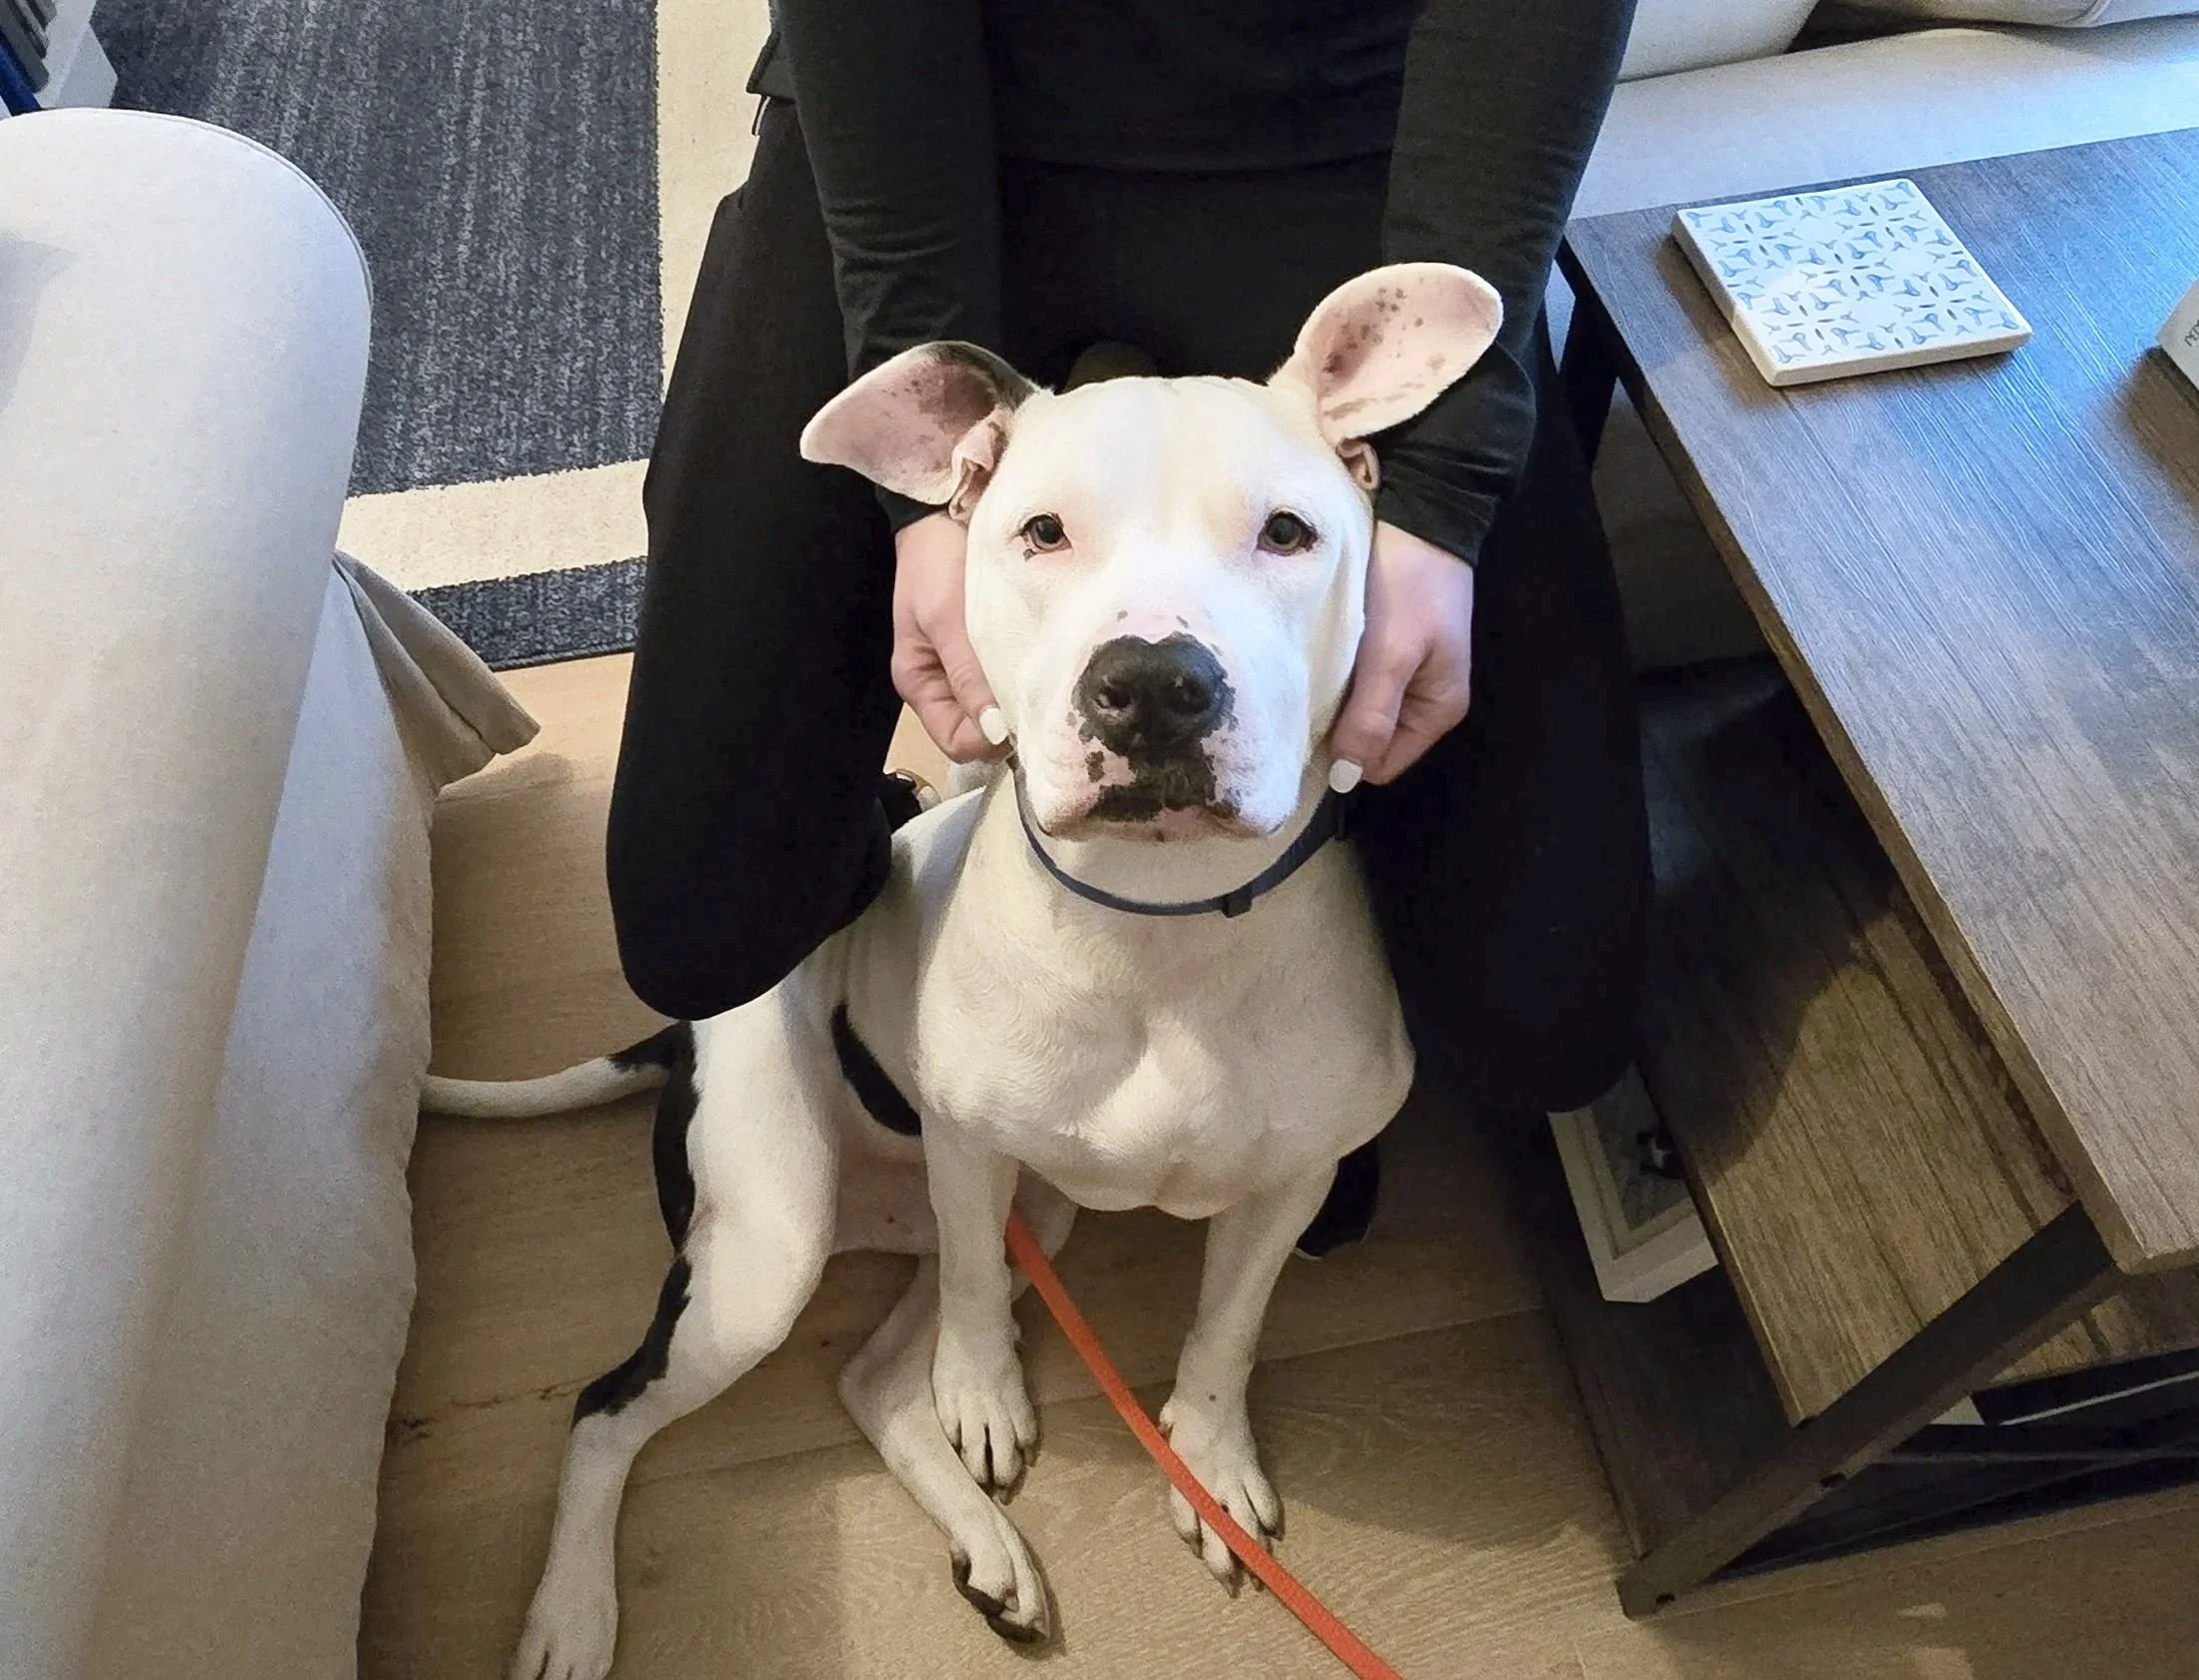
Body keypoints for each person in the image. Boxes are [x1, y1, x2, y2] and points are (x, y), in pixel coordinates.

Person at [606, 0, 1649, 1239]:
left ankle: (1298, 1027)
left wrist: (1438, 496)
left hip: (1348, 140)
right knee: (698, 928)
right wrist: (926, 500)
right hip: (926, 118)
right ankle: (901, 884)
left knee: (1548, 1021)